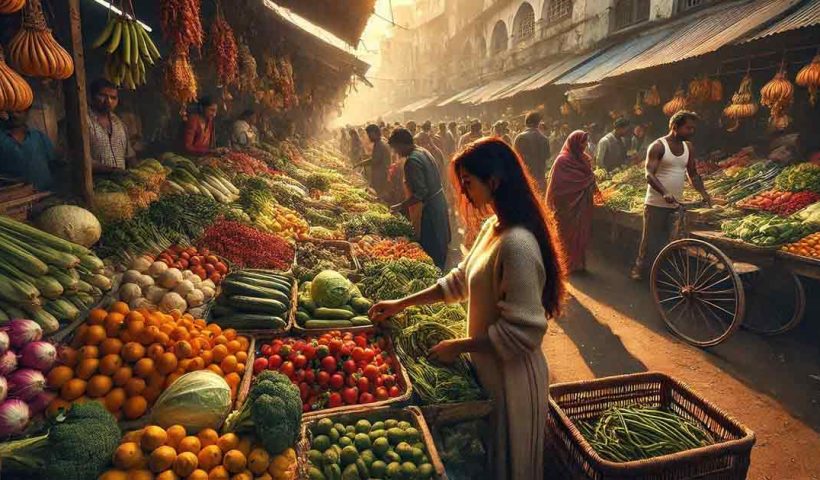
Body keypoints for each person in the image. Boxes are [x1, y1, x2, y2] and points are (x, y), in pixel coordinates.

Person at [370, 138, 566, 479]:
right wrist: (400, 304)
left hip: (514, 382)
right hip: (490, 374)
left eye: (468, 182)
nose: (464, 191)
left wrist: (457, 346)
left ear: (494, 181)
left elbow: (523, 333)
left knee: (511, 467)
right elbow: (459, 281)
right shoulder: (494, 228)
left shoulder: (517, 245)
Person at [631, 111, 711, 280]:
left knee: (671, 242)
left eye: (693, 128)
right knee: (649, 240)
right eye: (688, 128)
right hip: (655, 203)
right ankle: (639, 268)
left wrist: (704, 193)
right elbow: (649, 174)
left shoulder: (688, 147)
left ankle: (660, 273)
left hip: (676, 205)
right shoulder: (658, 146)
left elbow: (693, 174)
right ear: (675, 127)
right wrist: (664, 192)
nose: (691, 131)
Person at [387, 128, 450, 269]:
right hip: (439, 202)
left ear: (402, 144)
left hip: (431, 208)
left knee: (431, 249)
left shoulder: (412, 161)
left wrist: (400, 206)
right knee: (440, 244)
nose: (396, 152)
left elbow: (421, 193)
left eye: (396, 148)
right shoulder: (423, 151)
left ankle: (436, 282)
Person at [546, 130, 599, 273]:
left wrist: (594, 187)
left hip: (582, 206)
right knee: (565, 236)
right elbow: (557, 186)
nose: (584, 145)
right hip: (565, 207)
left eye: (585, 142)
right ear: (574, 142)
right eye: (582, 142)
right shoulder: (562, 161)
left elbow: (589, 178)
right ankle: (564, 264)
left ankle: (578, 264)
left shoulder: (585, 159)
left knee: (581, 235)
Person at [0, 109, 56, 190]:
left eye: (18, 111)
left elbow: (53, 164)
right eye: (10, 111)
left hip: (46, 196)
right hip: (14, 198)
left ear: (27, 113)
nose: (14, 115)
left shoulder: (39, 137)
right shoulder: (2, 139)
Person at [87, 78, 135, 173]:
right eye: (102, 95)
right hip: (95, 185)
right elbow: (79, 161)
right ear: (91, 97)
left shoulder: (119, 124)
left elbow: (129, 156)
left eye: (113, 98)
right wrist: (111, 171)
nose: (108, 101)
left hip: (119, 186)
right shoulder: (84, 122)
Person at [513, 111, 551, 191]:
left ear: (526, 122)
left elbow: (515, 158)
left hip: (524, 179)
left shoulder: (520, 138)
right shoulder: (544, 139)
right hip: (540, 179)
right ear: (538, 123)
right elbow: (547, 156)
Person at [357, 124, 390, 200]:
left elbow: (375, 160)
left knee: (378, 197)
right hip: (380, 174)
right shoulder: (379, 143)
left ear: (373, 134)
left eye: (368, 134)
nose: (367, 137)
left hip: (381, 176)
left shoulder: (379, 145)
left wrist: (361, 163)